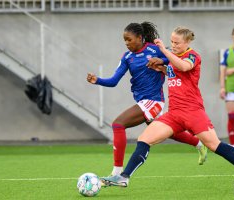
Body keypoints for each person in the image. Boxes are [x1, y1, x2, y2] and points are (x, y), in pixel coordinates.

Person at [101, 26, 234, 193]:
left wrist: (163, 50)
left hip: (193, 111)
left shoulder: (192, 55)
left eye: (177, 42)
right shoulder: (172, 58)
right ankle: (124, 177)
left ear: (187, 42)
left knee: (215, 145)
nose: (173, 45)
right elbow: (175, 72)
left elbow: (184, 67)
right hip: (174, 113)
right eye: (171, 42)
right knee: (144, 139)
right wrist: (163, 68)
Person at [87, 22, 207, 177]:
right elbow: (114, 81)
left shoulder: (154, 49)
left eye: (129, 39)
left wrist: (161, 60)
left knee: (118, 124)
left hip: (154, 100)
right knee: (169, 132)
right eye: (125, 40)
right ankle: (198, 143)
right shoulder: (127, 57)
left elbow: (175, 58)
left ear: (140, 37)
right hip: (143, 101)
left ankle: (117, 172)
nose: (126, 43)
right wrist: (98, 80)